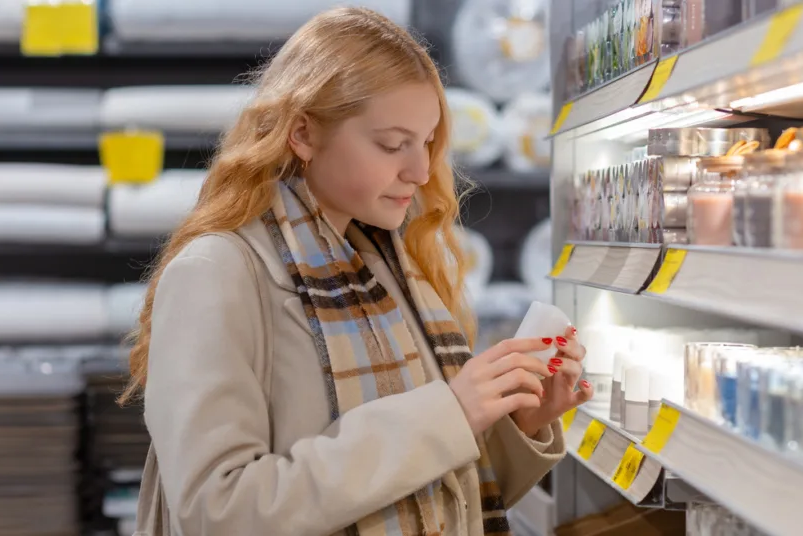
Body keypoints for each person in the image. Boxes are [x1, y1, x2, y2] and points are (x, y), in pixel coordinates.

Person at [120, 7, 594, 536]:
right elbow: (217, 511)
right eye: (393, 144)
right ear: (303, 134)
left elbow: (441, 501)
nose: (419, 171)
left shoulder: (389, 268)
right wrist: (447, 414)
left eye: (428, 143)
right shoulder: (218, 273)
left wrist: (517, 421)